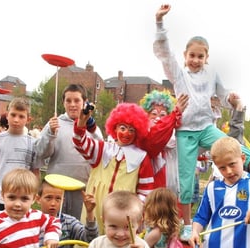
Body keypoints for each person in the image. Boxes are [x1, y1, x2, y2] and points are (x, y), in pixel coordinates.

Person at [153, 4, 250, 241]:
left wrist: (233, 100)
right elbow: (164, 54)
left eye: (200, 56)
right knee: (187, 176)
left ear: (207, 58)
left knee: (235, 148)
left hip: (207, 128)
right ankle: (188, 224)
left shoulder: (212, 75)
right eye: (192, 56)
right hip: (186, 132)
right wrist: (159, 22)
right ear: (185, 56)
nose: (196, 60)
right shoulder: (180, 75)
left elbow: (224, 95)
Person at [72, 102, 171, 234]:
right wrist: (80, 125)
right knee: (90, 242)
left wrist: (134, 210)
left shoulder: (141, 157)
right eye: (123, 128)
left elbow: (146, 192)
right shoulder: (103, 149)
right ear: (115, 128)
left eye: (131, 130)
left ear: (137, 132)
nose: (126, 133)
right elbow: (80, 143)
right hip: (94, 207)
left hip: (123, 213)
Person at [36, 84, 104, 220]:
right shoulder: (54, 124)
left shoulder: (92, 128)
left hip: (82, 188)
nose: (72, 105)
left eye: (77, 100)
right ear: (63, 102)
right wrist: (50, 134)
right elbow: (41, 153)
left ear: (84, 102)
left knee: (79, 228)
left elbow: (100, 154)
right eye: (68, 101)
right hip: (57, 188)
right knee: (55, 227)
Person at [0, 97, 42, 210]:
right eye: (13, 115)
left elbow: (35, 172)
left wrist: (35, 191)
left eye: (21, 116)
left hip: (22, 199)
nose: (16, 120)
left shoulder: (33, 143)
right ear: (7, 115)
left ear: (28, 119)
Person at [136, 89, 188, 191]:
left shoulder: (174, 136)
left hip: (169, 184)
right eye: (154, 113)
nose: (158, 118)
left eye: (163, 115)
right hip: (148, 185)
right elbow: (156, 138)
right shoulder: (143, 133)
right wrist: (175, 114)